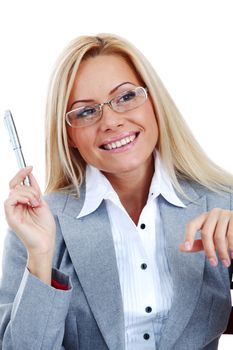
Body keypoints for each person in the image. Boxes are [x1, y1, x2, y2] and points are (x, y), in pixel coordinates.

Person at [1, 33, 233, 350]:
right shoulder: (38, 227)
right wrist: (41, 256)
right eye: (85, 111)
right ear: (68, 135)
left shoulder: (222, 202)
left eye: (125, 97)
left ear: (154, 102)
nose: (111, 121)